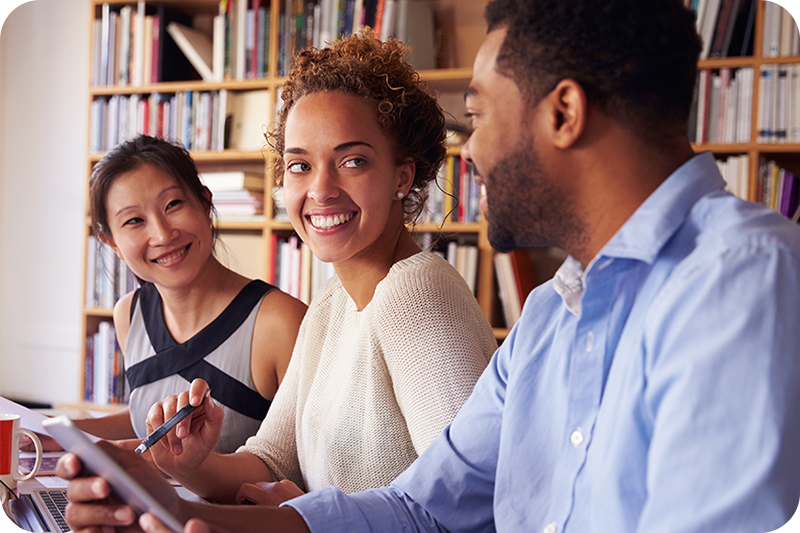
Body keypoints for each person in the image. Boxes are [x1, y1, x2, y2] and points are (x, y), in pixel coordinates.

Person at [57, 0, 800, 531]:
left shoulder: (741, 280)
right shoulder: (549, 313)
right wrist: (175, 502)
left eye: (477, 115)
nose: (468, 152)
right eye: (298, 165)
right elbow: (425, 505)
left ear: (563, 113)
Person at [118, 30, 496, 505]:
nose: (320, 190)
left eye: (352, 161)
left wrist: (299, 509)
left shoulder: (416, 292)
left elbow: (465, 503)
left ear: (403, 176)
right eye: (299, 165)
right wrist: (189, 462)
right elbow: (271, 460)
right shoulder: (331, 304)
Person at [73, 134, 307, 454]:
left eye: (173, 204)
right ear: (111, 242)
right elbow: (151, 420)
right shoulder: (130, 314)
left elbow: (304, 465)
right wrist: (54, 431)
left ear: (206, 203)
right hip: (149, 504)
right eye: (134, 220)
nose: (162, 234)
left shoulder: (280, 321)